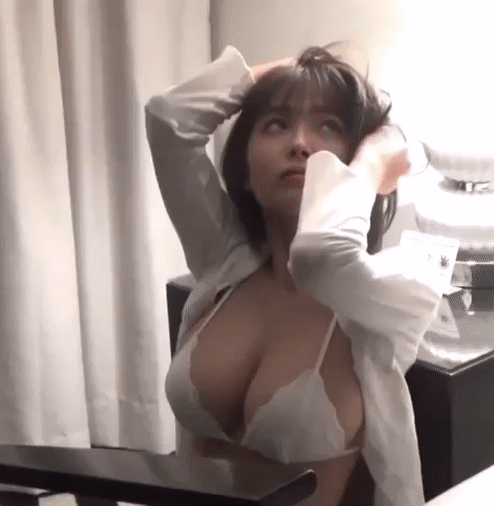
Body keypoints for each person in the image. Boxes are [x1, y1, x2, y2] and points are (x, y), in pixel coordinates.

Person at [145, 41, 445, 506]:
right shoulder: (224, 262)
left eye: (329, 126)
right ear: (245, 169)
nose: (300, 143)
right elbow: (169, 119)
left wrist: (375, 159)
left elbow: (321, 254)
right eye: (276, 124)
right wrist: (284, 70)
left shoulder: (384, 295)